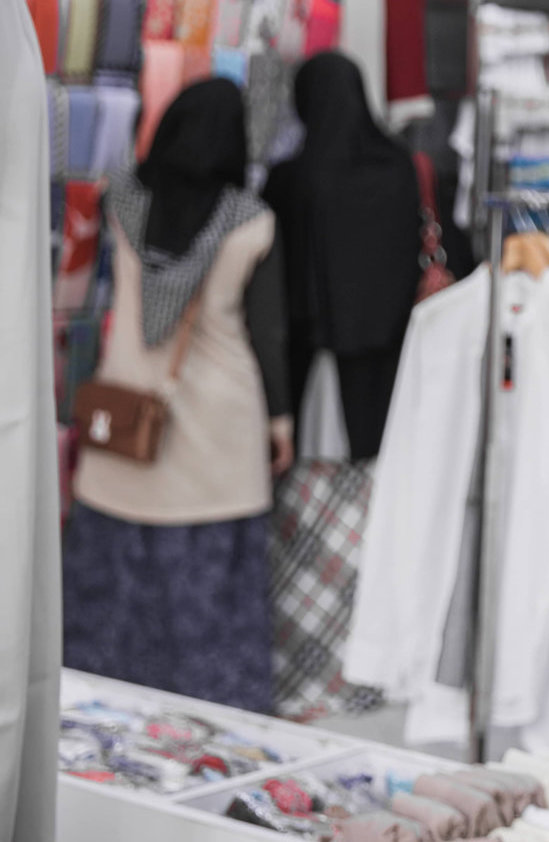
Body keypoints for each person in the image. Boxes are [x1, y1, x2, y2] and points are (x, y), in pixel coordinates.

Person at [66, 79, 291, 713]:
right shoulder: (253, 221)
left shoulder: (124, 198)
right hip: (219, 425)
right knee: (211, 602)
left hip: (129, 413)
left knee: (108, 591)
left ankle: (103, 717)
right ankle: (206, 721)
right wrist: (280, 420)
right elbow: (267, 333)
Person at [265, 51, 423, 461]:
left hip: (307, 355)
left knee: (309, 471)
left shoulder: (291, 179)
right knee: (383, 458)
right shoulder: (399, 167)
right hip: (389, 349)